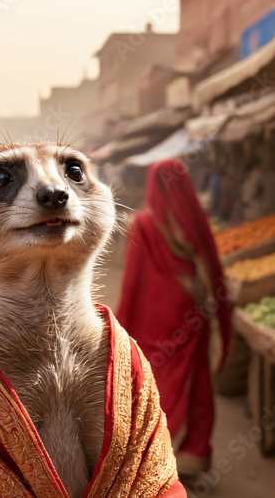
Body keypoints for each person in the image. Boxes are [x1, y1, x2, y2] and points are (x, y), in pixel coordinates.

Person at [117, 159, 232, 481]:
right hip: (193, 312)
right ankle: (192, 455)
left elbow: (133, 280)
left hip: (156, 317)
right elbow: (210, 265)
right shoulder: (194, 219)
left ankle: (157, 454)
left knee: (158, 380)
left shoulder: (143, 223)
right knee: (196, 384)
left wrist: (124, 321)